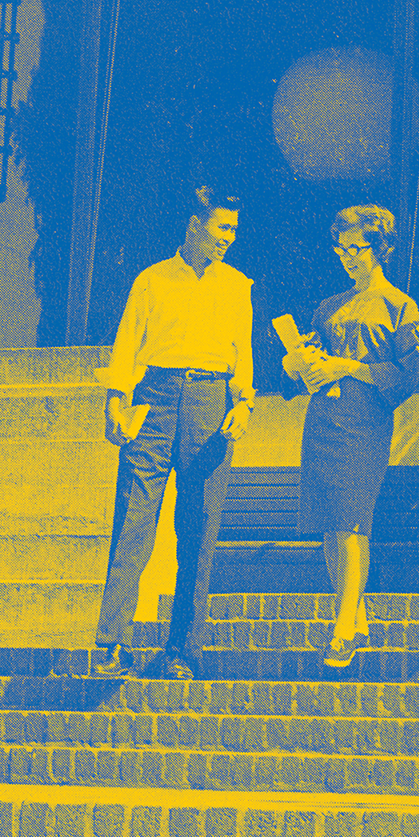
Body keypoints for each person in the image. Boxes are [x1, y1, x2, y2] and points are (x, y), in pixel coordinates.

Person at [71, 185, 255, 682]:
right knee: (134, 518)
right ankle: (111, 644)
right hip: (154, 401)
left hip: (211, 405)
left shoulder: (239, 286)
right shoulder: (152, 280)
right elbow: (128, 341)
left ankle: (182, 652)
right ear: (196, 225)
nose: (228, 239)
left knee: (198, 530)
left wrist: (242, 404)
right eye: (221, 228)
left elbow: (243, 354)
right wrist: (117, 397)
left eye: (234, 231)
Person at [284, 204, 419, 669]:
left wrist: (352, 367)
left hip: (366, 424)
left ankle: (343, 625)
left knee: (351, 521)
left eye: (358, 249)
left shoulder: (400, 305)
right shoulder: (328, 307)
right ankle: (355, 615)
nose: (348, 258)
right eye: (341, 250)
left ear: (380, 248)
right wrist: (301, 364)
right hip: (322, 420)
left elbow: (409, 374)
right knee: (329, 523)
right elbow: (314, 369)